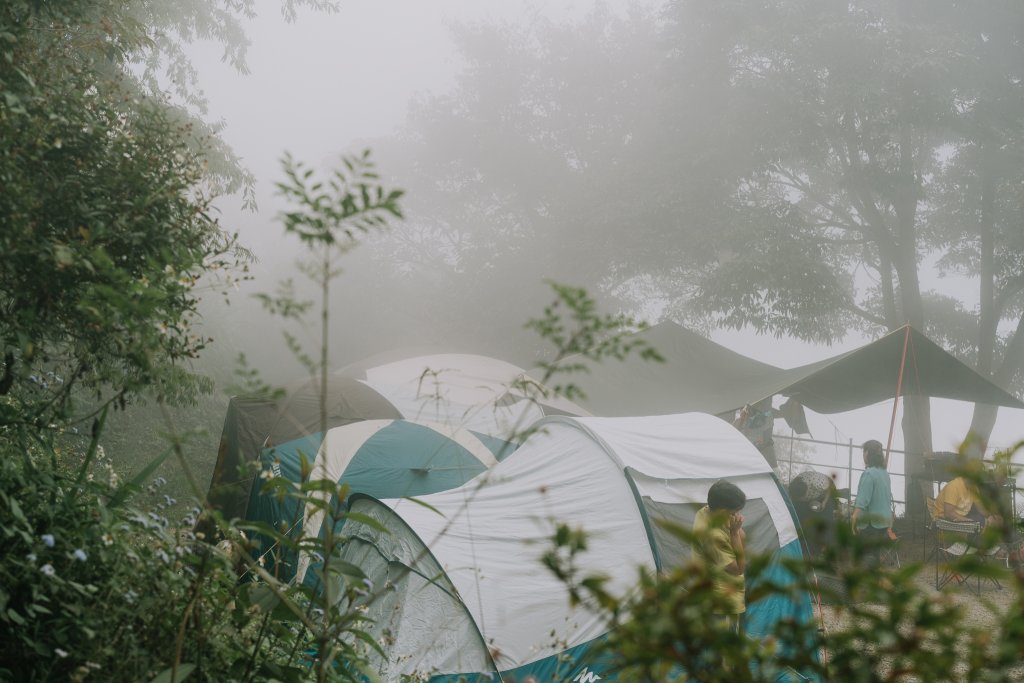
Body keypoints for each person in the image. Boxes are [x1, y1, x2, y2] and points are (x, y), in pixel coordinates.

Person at [693, 479, 747, 633]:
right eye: (734, 512)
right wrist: (734, 533)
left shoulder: (705, 511)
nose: (736, 515)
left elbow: (744, 537)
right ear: (723, 510)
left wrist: (736, 530)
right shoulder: (712, 536)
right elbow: (739, 569)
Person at [851, 439, 894, 567]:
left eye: (864, 452)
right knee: (874, 555)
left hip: (871, 523)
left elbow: (863, 500)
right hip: (884, 521)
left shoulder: (868, 474)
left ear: (868, 453)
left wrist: (854, 518)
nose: (863, 455)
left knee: (868, 557)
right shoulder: (885, 473)